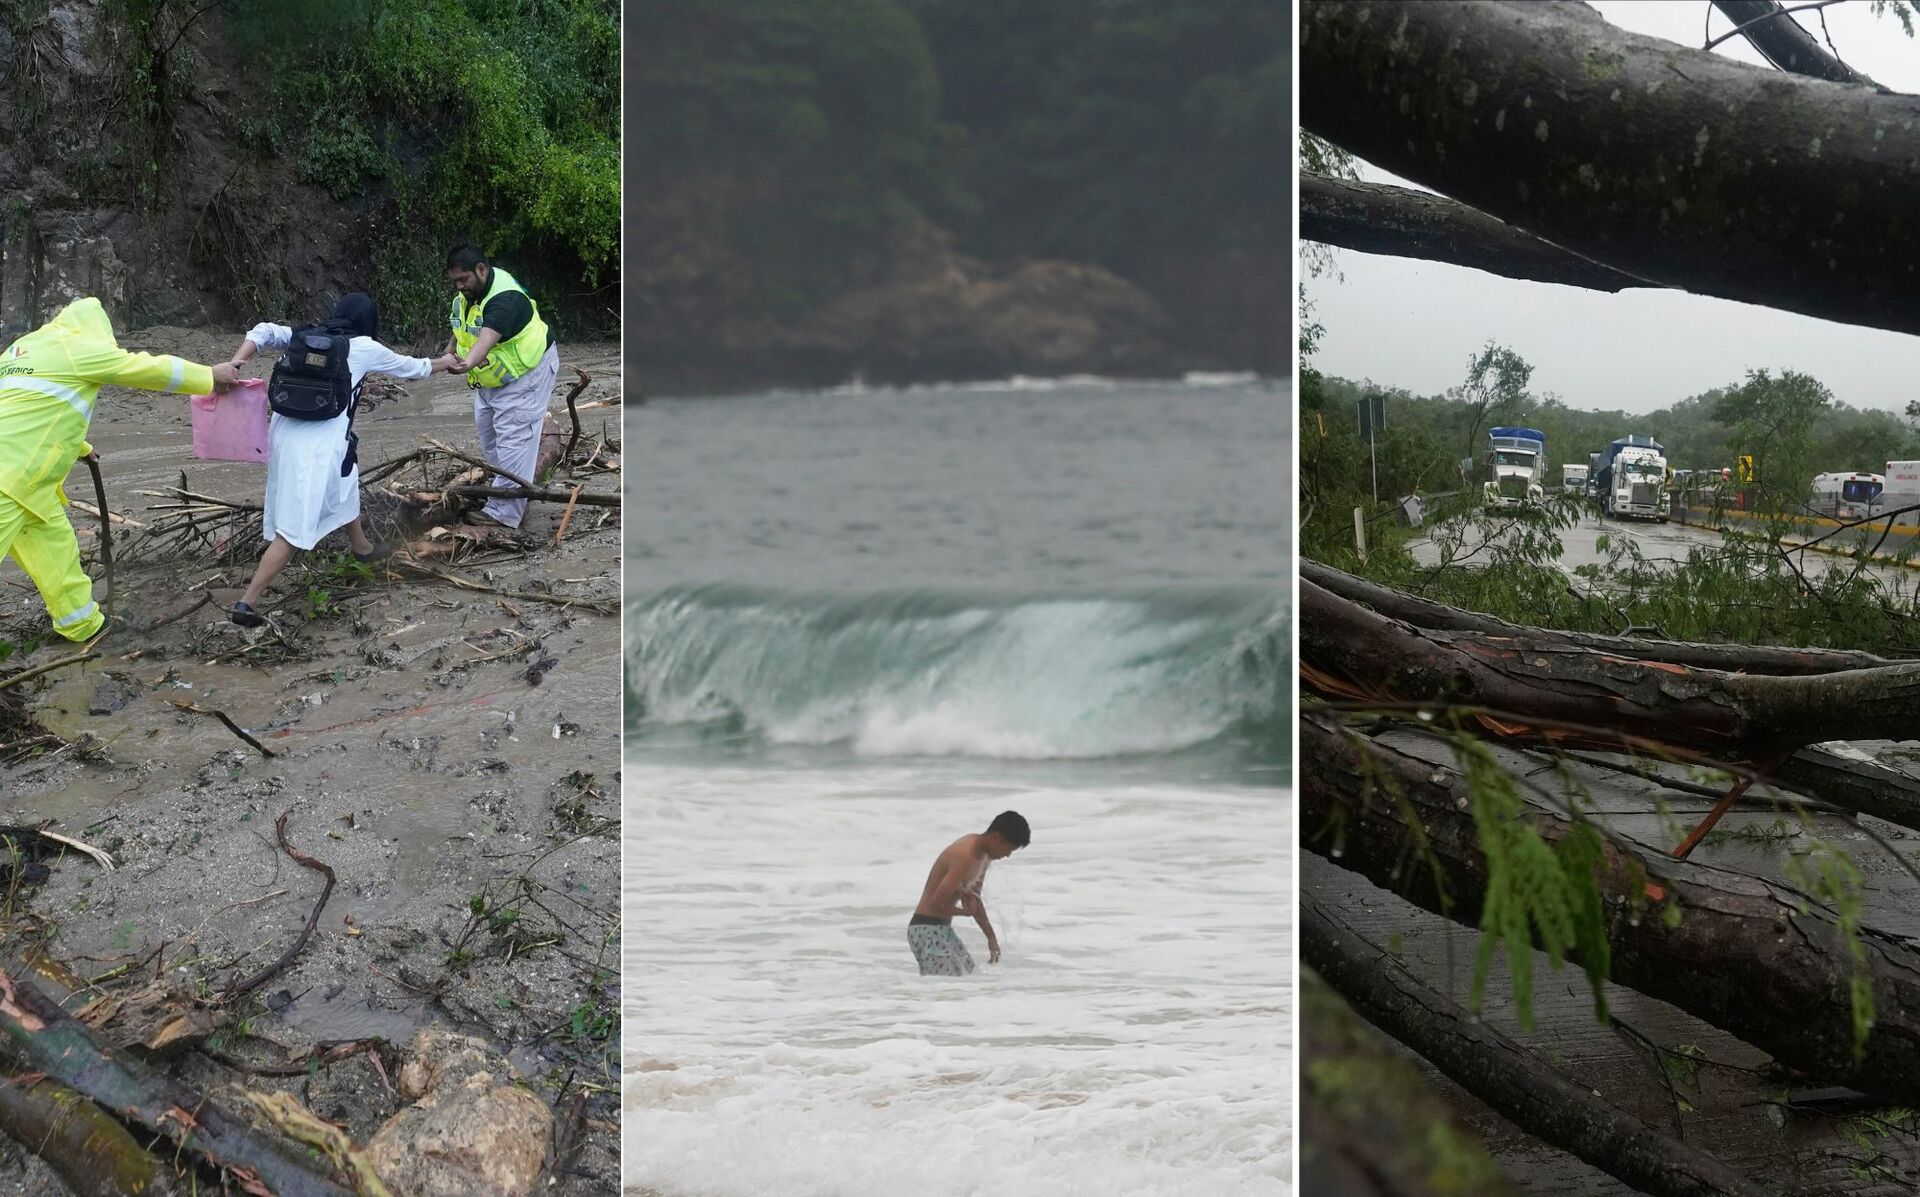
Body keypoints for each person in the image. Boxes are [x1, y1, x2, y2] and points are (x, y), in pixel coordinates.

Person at [0, 297, 238, 641]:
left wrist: (80, 448)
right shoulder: (78, 348)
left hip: (31, 486)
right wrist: (208, 376)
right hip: (11, 481)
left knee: (58, 556)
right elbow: (145, 368)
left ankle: (82, 627)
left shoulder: (23, 349)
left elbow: (32, 411)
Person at [223, 293, 457, 627]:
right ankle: (247, 603)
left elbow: (262, 330)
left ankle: (361, 547)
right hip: (317, 446)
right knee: (295, 527)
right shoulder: (363, 347)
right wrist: (446, 362)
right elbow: (413, 369)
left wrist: (237, 362)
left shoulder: (304, 334)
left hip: (284, 434)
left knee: (346, 480)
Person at [441, 243, 560, 530]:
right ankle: (509, 490)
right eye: (454, 281)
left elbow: (484, 340)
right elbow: (462, 328)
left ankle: (504, 514)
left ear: (481, 269)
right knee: (489, 436)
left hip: (527, 373)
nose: (459, 286)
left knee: (514, 439)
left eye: (463, 279)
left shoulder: (504, 298)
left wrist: (464, 364)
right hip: (493, 379)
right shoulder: (469, 294)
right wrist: (448, 351)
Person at [909, 811, 1030, 976]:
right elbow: (935, 905)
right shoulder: (965, 856)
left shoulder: (984, 857)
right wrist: (965, 913)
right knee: (945, 992)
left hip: (942, 930)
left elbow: (975, 900)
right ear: (995, 838)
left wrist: (991, 938)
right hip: (926, 930)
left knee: (969, 981)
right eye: (1008, 849)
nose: (1007, 855)